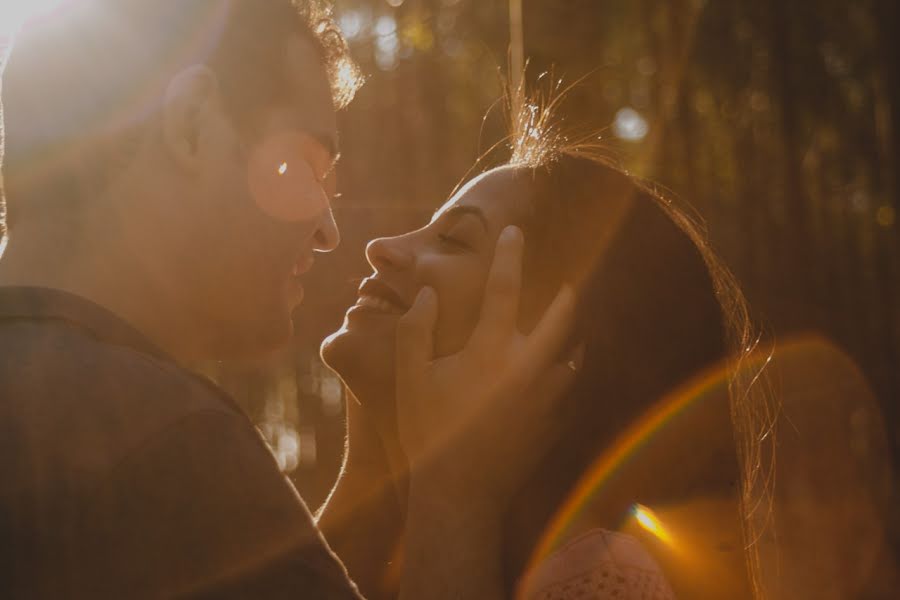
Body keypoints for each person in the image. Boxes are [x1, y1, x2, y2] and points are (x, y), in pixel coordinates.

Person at [0, 2, 576, 598]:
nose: (329, 230)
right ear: (193, 124)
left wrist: (369, 473)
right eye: (304, 163)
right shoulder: (167, 444)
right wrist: (459, 496)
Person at [319, 84, 775, 599]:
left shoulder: (606, 580)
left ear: (549, 347)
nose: (382, 247)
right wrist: (369, 471)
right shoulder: (411, 541)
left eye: (453, 239)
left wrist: (455, 494)